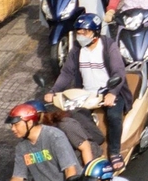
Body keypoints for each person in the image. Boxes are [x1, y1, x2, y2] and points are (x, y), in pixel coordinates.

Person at [49, 12, 132, 154]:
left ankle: (114, 151)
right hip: (85, 93)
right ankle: (93, 145)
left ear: (96, 33)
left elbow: (118, 71)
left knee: (113, 117)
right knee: (72, 117)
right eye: (78, 32)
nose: (80, 36)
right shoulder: (76, 49)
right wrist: (53, 91)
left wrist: (112, 93)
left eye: (85, 32)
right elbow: (67, 72)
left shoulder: (108, 46)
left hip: (108, 91)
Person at [0, 101, 81, 181]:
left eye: (16, 124)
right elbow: (18, 177)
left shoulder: (54, 137)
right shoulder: (21, 147)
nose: (13, 129)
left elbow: (69, 168)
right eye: (12, 125)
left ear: (29, 123)